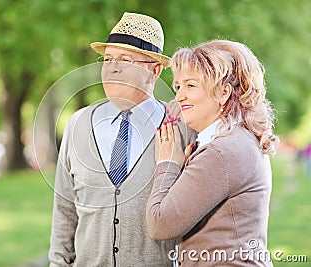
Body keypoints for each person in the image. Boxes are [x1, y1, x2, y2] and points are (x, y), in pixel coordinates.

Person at [48, 12, 197, 266]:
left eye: (125, 59)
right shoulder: (78, 125)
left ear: (155, 70)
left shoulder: (184, 128)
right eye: (107, 59)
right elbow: (64, 212)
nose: (112, 67)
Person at [147, 40, 279, 266]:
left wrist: (167, 163)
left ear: (223, 92)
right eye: (178, 86)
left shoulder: (222, 151)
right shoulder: (237, 139)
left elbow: (160, 223)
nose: (179, 96)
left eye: (190, 86)